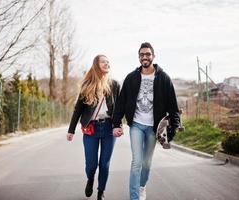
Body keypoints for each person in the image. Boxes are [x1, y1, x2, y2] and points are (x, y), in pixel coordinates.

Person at [112, 42, 180, 200]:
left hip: (153, 128)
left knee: (147, 163)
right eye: (142, 54)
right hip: (136, 125)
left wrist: (173, 128)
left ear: (153, 56)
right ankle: (134, 197)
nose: (145, 57)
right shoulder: (131, 78)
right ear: (139, 57)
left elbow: (173, 106)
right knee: (137, 162)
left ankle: (142, 186)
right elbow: (121, 103)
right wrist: (116, 123)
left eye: (148, 54)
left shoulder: (163, 78)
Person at [67, 55, 120, 200]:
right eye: (103, 61)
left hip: (109, 127)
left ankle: (100, 191)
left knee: (105, 164)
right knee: (91, 165)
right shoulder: (87, 85)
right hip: (91, 129)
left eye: (108, 62)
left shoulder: (114, 84)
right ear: (96, 65)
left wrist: (118, 125)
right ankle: (90, 179)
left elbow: (119, 108)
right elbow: (78, 109)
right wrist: (71, 130)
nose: (107, 63)